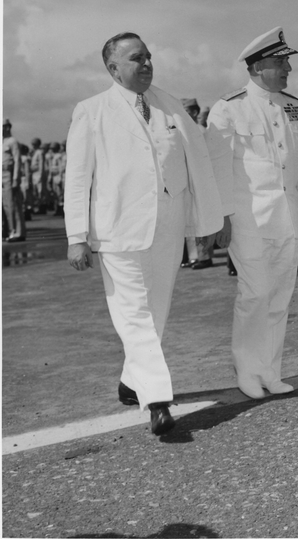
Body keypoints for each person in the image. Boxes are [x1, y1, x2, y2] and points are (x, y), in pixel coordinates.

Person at [65, 32, 223, 435]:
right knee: (134, 315)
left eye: (149, 57)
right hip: (118, 231)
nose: (147, 64)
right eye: (137, 59)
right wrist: (76, 236)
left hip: (167, 227)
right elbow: (78, 179)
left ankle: (131, 380)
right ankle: (156, 400)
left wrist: (207, 222)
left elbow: (198, 162)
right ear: (113, 68)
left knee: (156, 312)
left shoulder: (170, 105)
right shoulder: (92, 111)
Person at [205, 26, 298, 398]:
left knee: (279, 296)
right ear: (258, 66)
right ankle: (247, 370)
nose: (287, 70)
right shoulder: (229, 107)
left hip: (288, 217)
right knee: (255, 293)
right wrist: (222, 216)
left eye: (287, 63)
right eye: (280, 63)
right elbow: (217, 168)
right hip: (247, 219)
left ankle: (270, 371)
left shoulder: (294, 105)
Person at [180, 98, 214, 270]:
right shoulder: (183, 131)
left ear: (194, 113)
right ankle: (194, 257)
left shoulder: (201, 131)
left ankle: (204, 256)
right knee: (190, 220)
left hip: (201, 181)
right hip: (187, 180)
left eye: (185, 111)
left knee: (202, 220)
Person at [2, 119, 26, 241]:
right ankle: (5, 231)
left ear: (7, 127)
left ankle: (18, 232)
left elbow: (17, 160)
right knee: (3, 205)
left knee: (13, 204)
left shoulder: (13, 141)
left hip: (9, 174)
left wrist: (16, 178)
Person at [30, 138, 48, 215]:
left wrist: (41, 175)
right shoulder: (35, 153)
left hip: (38, 174)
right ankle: (39, 207)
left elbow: (41, 164)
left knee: (40, 191)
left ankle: (42, 208)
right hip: (34, 174)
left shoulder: (40, 153)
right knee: (36, 192)